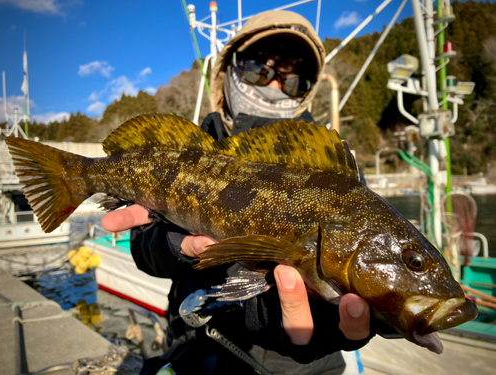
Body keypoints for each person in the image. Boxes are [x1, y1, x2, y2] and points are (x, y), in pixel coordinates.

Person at [102, 10, 374, 374]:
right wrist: (171, 245)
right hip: (187, 351)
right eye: (257, 69)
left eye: (294, 80)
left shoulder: (333, 172)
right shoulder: (184, 153)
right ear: (227, 71)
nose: (274, 85)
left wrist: (331, 327)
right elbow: (142, 248)